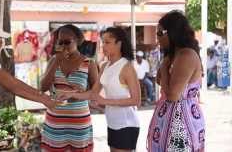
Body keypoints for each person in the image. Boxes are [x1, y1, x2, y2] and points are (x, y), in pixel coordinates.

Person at [58, 27, 141, 152]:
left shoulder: (127, 67)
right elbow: (93, 93)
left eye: (107, 42)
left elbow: (136, 100)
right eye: (103, 42)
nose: (103, 46)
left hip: (127, 124)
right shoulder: (105, 66)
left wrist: (105, 101)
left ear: (119, 44)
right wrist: (70, 94)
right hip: (112, 122)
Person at [147, 10, 205, 151]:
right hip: (170, 121)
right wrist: (166, 63)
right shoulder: (174, 55)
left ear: (173, 32)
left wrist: (165, 65)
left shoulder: (186, 55)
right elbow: (160, 80)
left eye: (160, 33)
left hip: (181, 124)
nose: (157, 38)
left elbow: (173, 95)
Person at [40, 24, 99, 152]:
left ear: (77, 40)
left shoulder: (89, 63)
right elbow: (43, 87)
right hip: (55, 121)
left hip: (79, 122)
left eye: (67, 42)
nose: (64, 46)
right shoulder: (53, 60)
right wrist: (56, 61)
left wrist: (80, 93)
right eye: (60, 42)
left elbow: (95, 93)